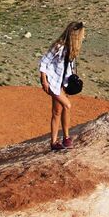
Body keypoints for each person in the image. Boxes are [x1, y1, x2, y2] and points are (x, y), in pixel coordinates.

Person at [39, 21, 85, 150]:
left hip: (62, 83)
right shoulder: (59, 46)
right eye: (81, 34)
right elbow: (43, 62)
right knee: (67, 105)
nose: (83, 37)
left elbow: (68, 67)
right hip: (53, 83)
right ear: (75, 34)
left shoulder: (73, 48)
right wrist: (44, 81)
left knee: (57, 112)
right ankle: (66, 138)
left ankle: (55, 142)